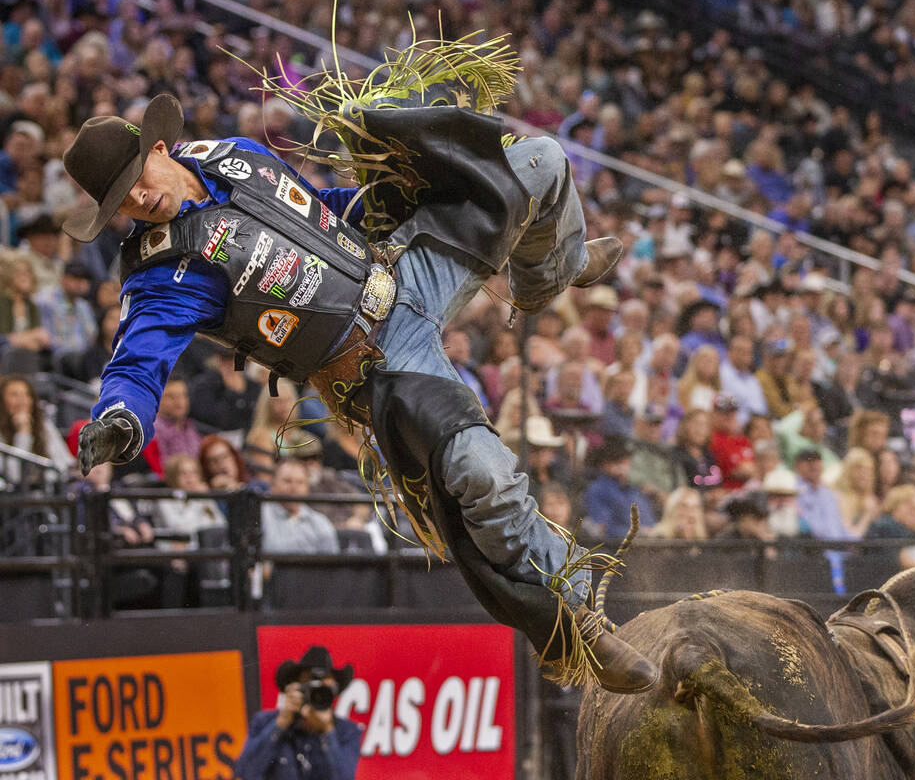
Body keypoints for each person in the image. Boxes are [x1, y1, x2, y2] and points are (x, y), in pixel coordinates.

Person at [65, 86, 654, 691]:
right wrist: (118, 416)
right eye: (121, 204)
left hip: (401, 263)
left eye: (136, 177)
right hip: (377, 359)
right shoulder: (161, 273)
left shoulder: (231, 154)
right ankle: (575, 618)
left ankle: (552, 268)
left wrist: (390, 196)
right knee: (481, 472)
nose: (139, 199)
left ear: (160, 148)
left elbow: (314, 205)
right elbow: (137, 361)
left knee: (542, 161)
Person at [234, 645, 362, 780]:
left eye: (323, 688)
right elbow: (246, 772)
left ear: (334, 691)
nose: (316, 692)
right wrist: (281, 722)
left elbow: (345, 777)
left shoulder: (347, 731)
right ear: (296, 687)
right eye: (310, 684)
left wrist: (327, 731)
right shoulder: (264, 722)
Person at [259, 459, 339, 555]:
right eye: (287, 481)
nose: (294, 487)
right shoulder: (259, 516)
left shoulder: (321, 522)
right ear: (273, 485)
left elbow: (331, 566)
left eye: (300, 482)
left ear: (307, 488)